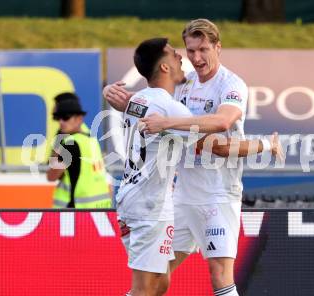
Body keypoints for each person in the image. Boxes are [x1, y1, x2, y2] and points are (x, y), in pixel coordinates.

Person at [104, 20, 282, 296]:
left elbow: (222, 126)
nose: (196, 58)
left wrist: (164, 123)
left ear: (217, 47)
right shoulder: (183, 86)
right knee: (154, 282)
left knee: (219, 275)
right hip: (178, 197)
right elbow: (156, 106)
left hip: (217, 194)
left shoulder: (232, 85)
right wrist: (118, 97)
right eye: (189, 51)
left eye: (203, 50)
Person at [115, 37, 196, 296]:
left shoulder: (138, 100)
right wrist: (260, 145)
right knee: (145, 289)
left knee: (160, 283)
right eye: (174, 54)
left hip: (133, 198)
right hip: (150, 207)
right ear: (163, 67)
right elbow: (214, 146)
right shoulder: (169, 108)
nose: (181, 57)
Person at [46, 97, 112, 208]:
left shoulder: (69, 143)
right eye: (58, 118)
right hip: (101, 207)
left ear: (79, 118)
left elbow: (51, 176)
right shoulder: (91, 138)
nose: (61, 122)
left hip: (76, 211)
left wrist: (56, 149)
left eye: (66, 117)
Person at [49, 92, 91, 208]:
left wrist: (56, 154)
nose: (53, 109)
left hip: (74, 205)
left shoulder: (66, 138)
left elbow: (52, 174)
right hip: (93, 204)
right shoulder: (86, 133)